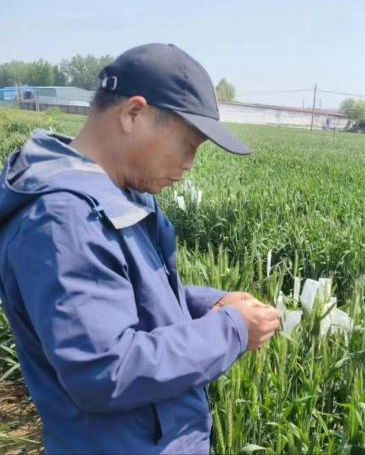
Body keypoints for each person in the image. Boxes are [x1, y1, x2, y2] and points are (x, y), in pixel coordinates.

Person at [0, 43, 280, 454]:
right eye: (189, 145)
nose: (189, 165)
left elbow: (129, 301)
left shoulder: (117, 192)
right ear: (133, 114)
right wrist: (231, 330)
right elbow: (106, 370)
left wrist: (209, 303)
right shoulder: (65, 220)